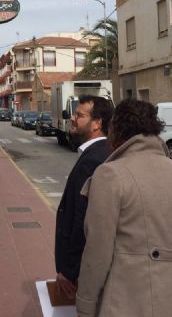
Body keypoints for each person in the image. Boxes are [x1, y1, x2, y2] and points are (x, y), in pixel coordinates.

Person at [75, 99, 172, 317]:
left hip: (132, 297)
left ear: (115, 130)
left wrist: (86, 303)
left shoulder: (110, 174)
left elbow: (97, 251)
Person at [55, 95, 114, 299]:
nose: (72, 118)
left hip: (81, 272)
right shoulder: (104, 152)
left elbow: (83, 219)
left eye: (79, 115)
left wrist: (69, 270)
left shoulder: (93, 160)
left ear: (97, 123)